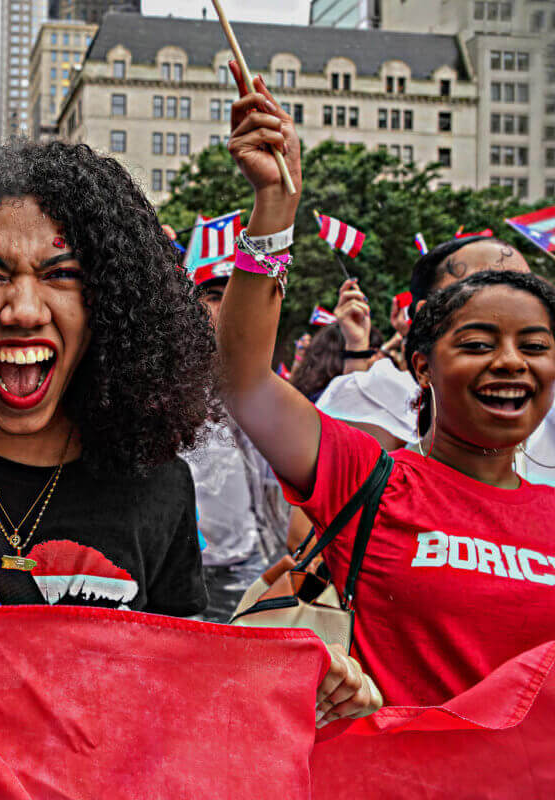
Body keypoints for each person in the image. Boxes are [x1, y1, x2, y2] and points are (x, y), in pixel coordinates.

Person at [0, 140, 376, 725]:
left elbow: (178, 696)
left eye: (61, 274)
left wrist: (289, 685)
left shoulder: (159, 485)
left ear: (110, 303)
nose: (25, 308)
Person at [216, 73, 555, 708]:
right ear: (422, 365)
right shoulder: (366, 474)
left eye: (534, 347)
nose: (511, 363)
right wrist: (273, 208)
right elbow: (242, 381)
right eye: (479, 343)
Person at [317, 236, 533, 452]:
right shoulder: (381, 399)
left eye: (527, 291)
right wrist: (356, 347)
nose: (510, 304)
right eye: (482, 289)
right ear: (428, 315)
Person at [184, 259, 286, 621]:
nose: (225, 306)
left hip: (246, 564)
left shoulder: (260, 386)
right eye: (213, 296)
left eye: (234, 296)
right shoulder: (157, 375)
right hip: (176, 568)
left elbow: (281, 486)